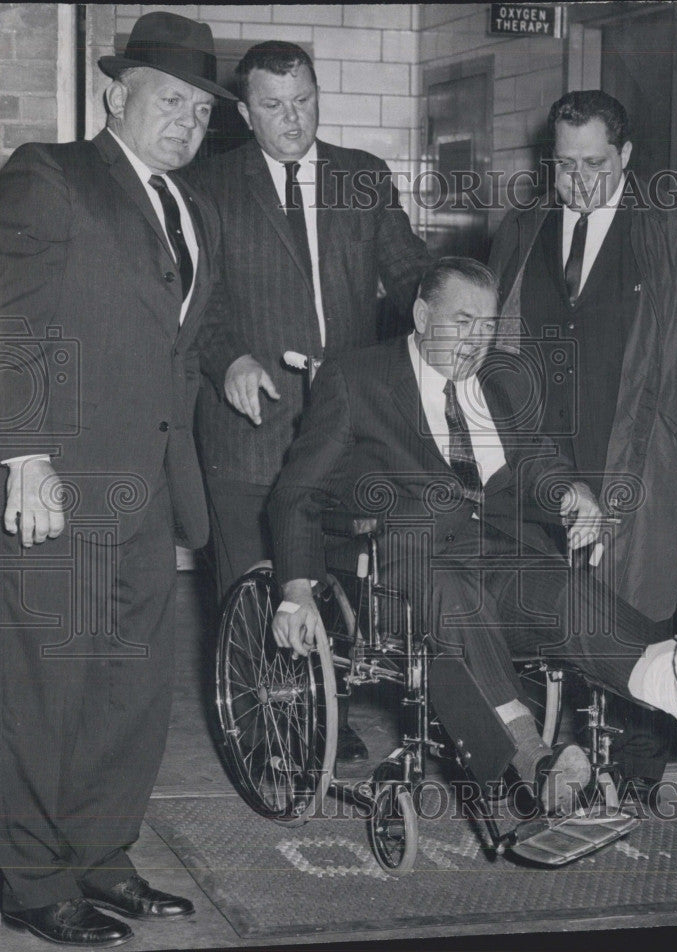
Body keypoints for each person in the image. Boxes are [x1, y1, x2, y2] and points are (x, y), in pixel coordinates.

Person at [268, 257, 677, 816]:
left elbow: (537, 459)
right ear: (420, 315)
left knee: (559, 592)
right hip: (399, 571)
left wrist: (568, 493)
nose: (476, 341)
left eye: (487, 327)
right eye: (462, 323)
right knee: (453, 596)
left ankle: (676, 680)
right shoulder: (356, 378)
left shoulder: (503, 381)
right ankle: (535, 763)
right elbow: (297, 494)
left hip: (497, 556)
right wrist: (295, 588)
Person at [0, 12, 234, 947]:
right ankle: (26, 874)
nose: (187, 121)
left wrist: (235, 367)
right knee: (44, 686)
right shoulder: (48, 176)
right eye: (169, 100)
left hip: (149, 485)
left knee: (130, 688)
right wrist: (23, 453)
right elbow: (11, 318)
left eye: (201, 111)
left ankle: (100, 858)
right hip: (62, 482)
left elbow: (180, 335)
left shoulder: (191, 208)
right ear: (114, 93)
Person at [189, 40, 432, 764]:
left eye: (304, 102)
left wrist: (444, 307)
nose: (292, 121)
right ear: (244, 110)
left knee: (328, 579)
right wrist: (227, 357)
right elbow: (195, 302)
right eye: (272, 106)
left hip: (340, 431)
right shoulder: (208, 186)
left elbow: (410, 269)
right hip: (247, 427)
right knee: (250, 583)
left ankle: (328, 712)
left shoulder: (362, 177)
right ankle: (264, 729)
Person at [488, 91, 677, 796]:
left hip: (637, 442)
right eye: (565, 166)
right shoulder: (525, 226)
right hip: (541, 455)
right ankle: (538, 762)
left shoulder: (672, 231)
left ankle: (631, 772)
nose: (579, 182)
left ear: (624, 156)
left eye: (594, 164)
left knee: (636, 600)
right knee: (542, 604)